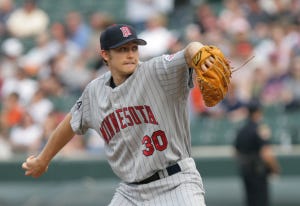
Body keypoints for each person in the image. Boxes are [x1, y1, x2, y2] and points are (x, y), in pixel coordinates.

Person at [22, 24, 213, 205]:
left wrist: (199, 52)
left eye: (133, 48)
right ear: (105, 55)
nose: (130, 55)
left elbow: (189, 51)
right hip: (131, 193)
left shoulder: (155, 70)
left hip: (176, 182)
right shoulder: (94, 91)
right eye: (122, 49)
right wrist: (42, 160)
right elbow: (69, 124)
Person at [234, 102, 281, 206]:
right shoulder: (260, 129)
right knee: (261, 201)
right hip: (258, 171)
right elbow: (266, 153)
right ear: (257, 113)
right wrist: (275, 168)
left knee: (250, 201)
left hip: (245, 171)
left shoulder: (241, 130)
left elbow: (235, 152)